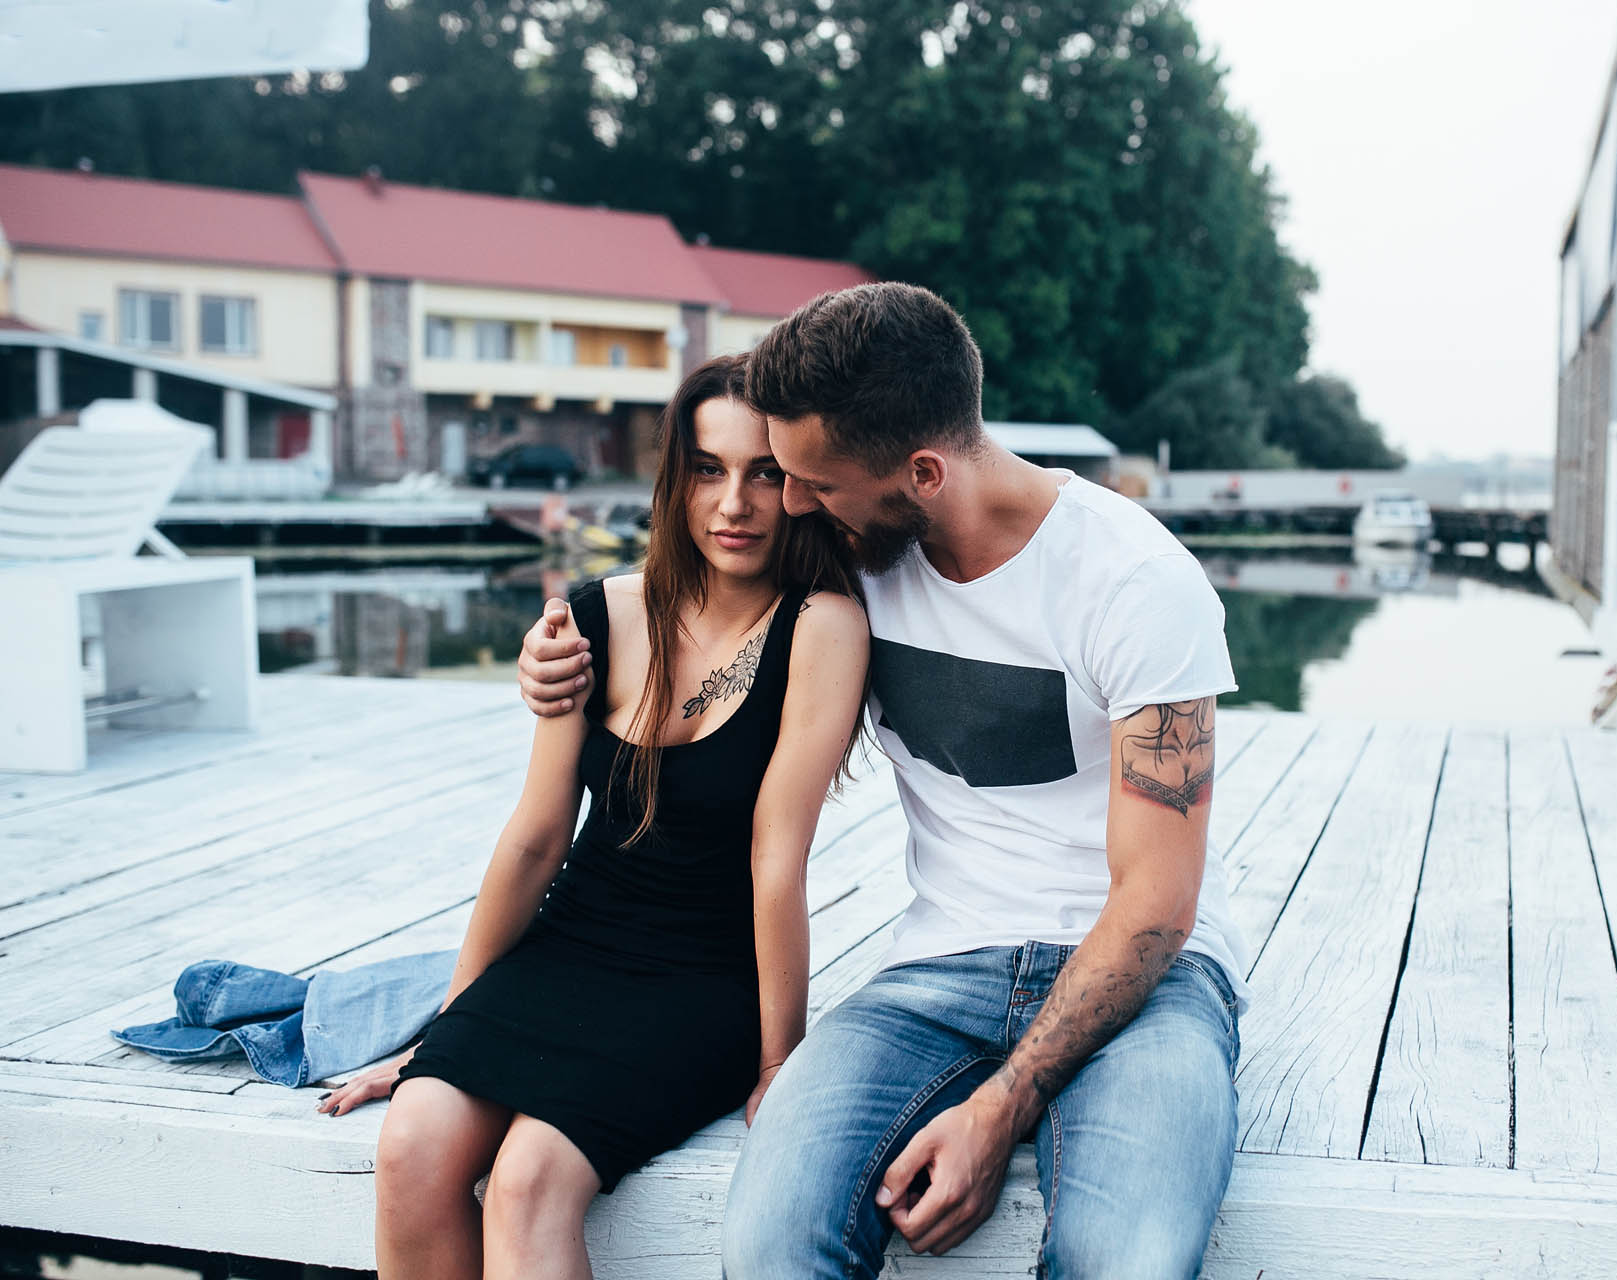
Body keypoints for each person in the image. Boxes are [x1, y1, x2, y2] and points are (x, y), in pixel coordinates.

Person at [517, 283, 1245, 1279]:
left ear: (924, 471)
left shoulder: (1134, 582)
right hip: (940, 967)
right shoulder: (853, 550)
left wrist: (1005, 1103)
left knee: (1127, 1259)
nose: (792, 504)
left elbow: (1158, 902)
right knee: (769, 1242)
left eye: (813, 480)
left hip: (1148, 974)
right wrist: (560, 651)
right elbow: (681, 606)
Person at [322, 352, 870, 1280]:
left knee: (531, 1176)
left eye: (764, 474)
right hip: (569, 945)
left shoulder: (821, 624)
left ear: (801, 485)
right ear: (675, 478)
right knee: (412, 1141)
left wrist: (782, 1065)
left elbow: (778, 861)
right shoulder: (593, 615)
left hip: (704, 978)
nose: (734, 502)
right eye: (708, 469)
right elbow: (538, 838)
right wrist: (450, 1030)